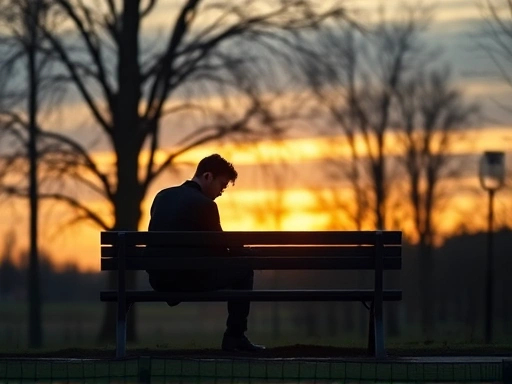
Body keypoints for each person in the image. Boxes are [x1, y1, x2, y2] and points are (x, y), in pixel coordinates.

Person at [146, 154, 265, 352]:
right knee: (244, 270)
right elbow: (219, 249)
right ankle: (234, 337)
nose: (221, 192)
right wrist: (242, 253)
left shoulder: (162, 196)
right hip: (186, 279)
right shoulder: (206, 205)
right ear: (207, 176)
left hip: (159, 279)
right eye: (222, 185)